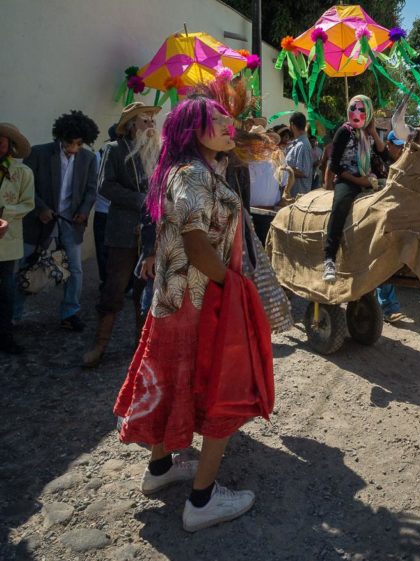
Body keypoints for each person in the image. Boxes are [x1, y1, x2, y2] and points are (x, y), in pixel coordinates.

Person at [113, 94, 274, 532]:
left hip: (175, 301)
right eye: (216, 119)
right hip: (199, 304)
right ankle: (201, 502)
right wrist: (232, 285)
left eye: (227, 119)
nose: (227, 125)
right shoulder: (193, 176)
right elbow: (196, 243)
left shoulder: (190, 171)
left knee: (173, 381)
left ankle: (161, 468)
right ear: (191, 129)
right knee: (220, 385)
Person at [82, 102, 162, 367]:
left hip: (152, 235)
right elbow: (105, 185)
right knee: (115, 288)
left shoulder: (159, 152)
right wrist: (140, 199)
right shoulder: (114, 149)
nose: (150, 126)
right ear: (130, 126)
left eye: (152, 121)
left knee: (145, 289)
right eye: (144, 121)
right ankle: (100, 344)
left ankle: (141, 345)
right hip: (123, 230)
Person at [18, 110, 99, 332]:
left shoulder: (89, 159)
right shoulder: (38, 153)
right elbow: (25, 188)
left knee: (75, 269)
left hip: (70, 223)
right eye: (69, 143)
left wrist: (83, 212)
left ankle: (70, 312)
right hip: (39, 222)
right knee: (25, 266)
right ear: (60, 137)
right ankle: (12, 316)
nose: (73, 149)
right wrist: (41, 208)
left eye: (79, 144)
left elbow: (91, 191)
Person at [323, 94, 387, 283]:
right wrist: (359, 182)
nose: (356, 113)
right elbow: (334, 165)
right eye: (353, 108)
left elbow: (384, 156)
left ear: (368, 114)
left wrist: (373, 131)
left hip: (370, 179)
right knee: (340, 205)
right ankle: (329, 259)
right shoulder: (344, 131)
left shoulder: (368, 134)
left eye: (361, 110)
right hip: (348, 180)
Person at [0, 123, 35, 354]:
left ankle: (5, 337)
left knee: (5, 290)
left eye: (1, 141)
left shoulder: (22, 173)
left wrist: (3, 213)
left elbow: (27, 204)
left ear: (10, 146)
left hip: (7, 241)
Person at [374, 130, 406, 323]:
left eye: (402, 146)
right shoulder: (378, 161)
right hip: (378, 215)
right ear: (388, 144)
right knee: (382, 258)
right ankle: (389, 307)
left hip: (396, 216)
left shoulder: (404, 164)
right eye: (397, 145)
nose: (400, 149)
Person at [93, 124, 119, 289]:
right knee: (103, 251)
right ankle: (107, 283)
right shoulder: (99, 156)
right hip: (104, 211)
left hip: (123, 212)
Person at [285, 112, 313, 197]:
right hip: (293, 194)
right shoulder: (298, 143)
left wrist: (283, 169)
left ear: (292, 125)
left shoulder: (302, 145)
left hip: (298, 196)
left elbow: (304, 172)